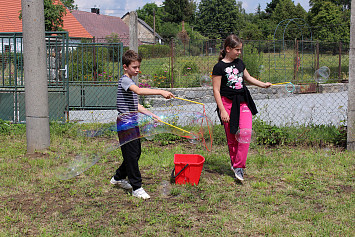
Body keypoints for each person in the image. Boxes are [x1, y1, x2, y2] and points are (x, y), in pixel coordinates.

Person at [110, 50, 174, 199]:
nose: (137, 70)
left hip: (132, 121)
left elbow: (136, 105)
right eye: (134, 67)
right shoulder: (125, 80)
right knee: (132, 154)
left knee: (135, 153)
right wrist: (160, 91)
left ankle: (118, 177)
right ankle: (136, 187)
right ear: (125, 67)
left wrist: (151, 115)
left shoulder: (130, 82)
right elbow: (138, 91)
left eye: (139, 67)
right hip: (125, 123)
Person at [212, 34, 272, 181]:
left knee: (245, 133)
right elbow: (216, 90)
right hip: (227, 104)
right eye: (237, 50)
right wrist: (222, 110)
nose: (239, 52)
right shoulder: (219, 67)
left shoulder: (240, 63)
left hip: (243, 102)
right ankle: (235, 164)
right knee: (232, 138)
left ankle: (239, 167)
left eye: (240, 50)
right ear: (228, 49)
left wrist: (262, 84)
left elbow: (248, 78)